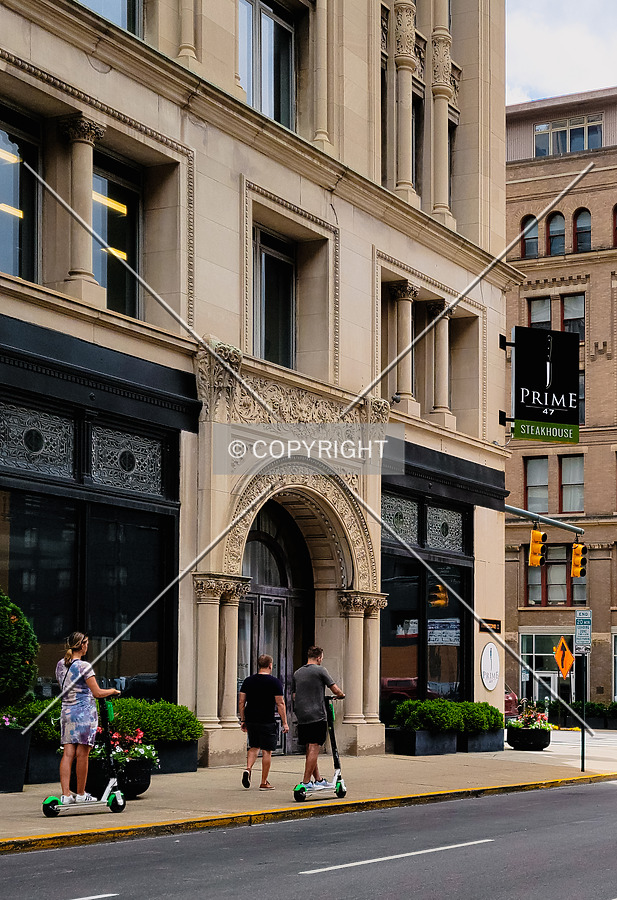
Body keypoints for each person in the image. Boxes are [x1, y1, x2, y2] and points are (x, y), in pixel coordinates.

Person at [55, 632, 120, 805]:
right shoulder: (84, 666)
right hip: (84, 715)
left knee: (68, 753)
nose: (87, 647)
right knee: (82, 754)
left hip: (67, 713)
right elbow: (98, 692)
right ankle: (82, 793)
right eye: (87, 644)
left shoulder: (61, 665)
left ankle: (66, 794)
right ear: (82, 645)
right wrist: (113, 691)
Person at [292, 645, 344, 789]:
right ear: (319, 658)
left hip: (302, 715)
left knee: (310, 747)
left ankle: (318, 779)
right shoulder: (321, 670)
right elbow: (334, 688)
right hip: (317, 714)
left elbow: (294, 695)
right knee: (315, 747)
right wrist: (341, 695)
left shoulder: (298, 673)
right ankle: (306, 782)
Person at [238, 654, 289, 791]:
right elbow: (280, 703)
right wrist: (285, 722)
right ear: (270, 665)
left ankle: (248, 769)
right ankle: (263, 781)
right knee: (267, 750)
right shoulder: (275, 682)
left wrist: (243, 719)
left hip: (251, 718)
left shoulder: (248, 681)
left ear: (258, 665)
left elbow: (241, 701)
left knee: (254, 746)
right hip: (267, 719)